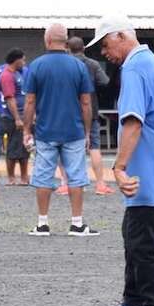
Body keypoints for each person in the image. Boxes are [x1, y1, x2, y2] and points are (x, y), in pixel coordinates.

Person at [89, 15, 154, 306]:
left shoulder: (133, 67)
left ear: (121, 36)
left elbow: (133, 121)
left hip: (151, 165)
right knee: (134, 232)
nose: (104, 52)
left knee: (142, 240)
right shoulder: (151, 62)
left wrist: (117, 166)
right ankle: (134, 303)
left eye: (105, 44)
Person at [23, 23, 98, 237]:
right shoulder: (78, 67)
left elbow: (29, 102)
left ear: (47, 40)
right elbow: (86, 102)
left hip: (45, 131)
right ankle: (76, 223)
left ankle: (42, 223)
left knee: (43, 176)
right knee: (76, 176)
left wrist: (27, 129)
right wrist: (86, 131)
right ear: (65, 41)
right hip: (73, 131)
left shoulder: (36, 66)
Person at [67, 36, 114, 194]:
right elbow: (105, 82)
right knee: (94, 147)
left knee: (67, 147)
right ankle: (100, 184)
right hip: (90, 111)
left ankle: (66, 183)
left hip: (68, 112)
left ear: (68, 48)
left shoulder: (66, 64)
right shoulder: (93, 64)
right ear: (84, 48)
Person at [0, 49, 30, 186]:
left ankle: (24, 176)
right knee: (12, 147)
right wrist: (17, 118)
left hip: (23, 115)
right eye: (22, 59)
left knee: (24, 147)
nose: (24, 62)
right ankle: (11, 177)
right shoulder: (6, 75)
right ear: (16, 60)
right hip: (12, 117)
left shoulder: (19, 74)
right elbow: (10, 98)